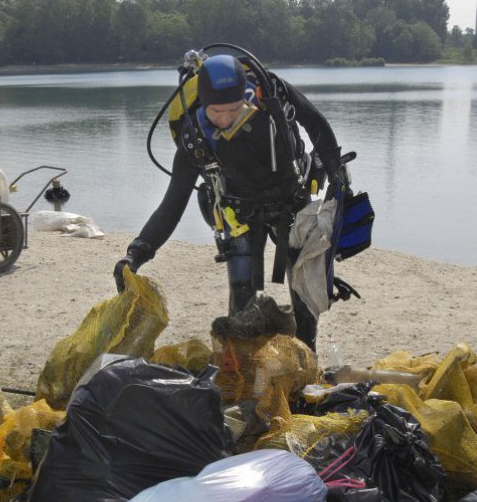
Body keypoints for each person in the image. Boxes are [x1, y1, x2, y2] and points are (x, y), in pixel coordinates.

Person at [113, 52, 344, 350]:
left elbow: (316, 123)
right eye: (215, 112)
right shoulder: (195, 135)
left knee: (304, 294)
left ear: (246, 98)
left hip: (291, 198)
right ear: (203, 104)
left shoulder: (271, 95)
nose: (224, 120)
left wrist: (338, 178)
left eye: (233, 110)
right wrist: (136, 253)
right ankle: (245, 370)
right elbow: (172, 204)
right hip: (238, 211)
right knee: (241, 305)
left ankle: (305, 356)